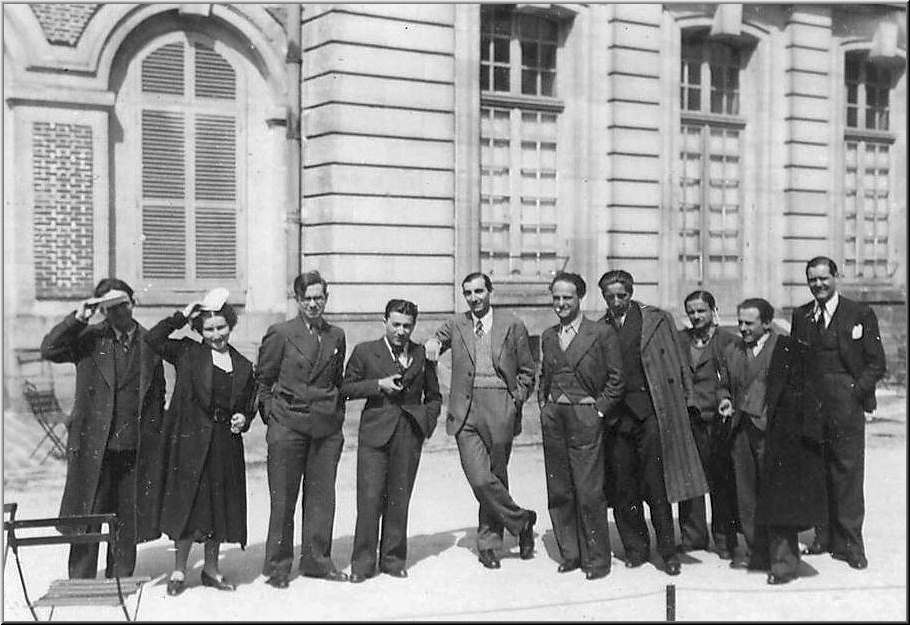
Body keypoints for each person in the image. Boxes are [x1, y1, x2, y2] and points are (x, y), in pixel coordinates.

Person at [40, 278, 166, 579]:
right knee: (89, 512)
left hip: (134, 446)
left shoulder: (150, 344)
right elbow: (49, 349)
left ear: (133, 303)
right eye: (109, 307)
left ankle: (121, 576)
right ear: (102, 311)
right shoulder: (88, 339)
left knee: (127, 513)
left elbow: (158, 395)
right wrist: (79, 316)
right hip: (95, 444)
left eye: (122, 304)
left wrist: (154, 436)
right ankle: (81, 578)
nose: (119, 312)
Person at [597, 269, 707, 576]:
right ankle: (635, 547)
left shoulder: (657, 319)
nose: (616, 301)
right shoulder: (599, 327)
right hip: (618, 419)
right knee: (623, 486)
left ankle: (668, 551)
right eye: (610, 296)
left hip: (651, 412)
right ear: (603, 297)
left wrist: (688, 399)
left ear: (631, 294)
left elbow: (678, 362)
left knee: (656, 484)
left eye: (622, 295)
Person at [424, 272, 537, 570]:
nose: (474, 298)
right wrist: (433, 343)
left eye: (479, 291)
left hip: (501, 405)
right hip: (465, 409)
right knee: (479, 477)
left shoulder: (512, 324)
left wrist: (515, 401)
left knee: (496, 475)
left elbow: (527, 370)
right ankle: (522, 520)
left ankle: (489, 543)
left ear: (490, 291)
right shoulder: (457, 324)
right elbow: (437, 339)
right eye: (468, 293)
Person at [145, 296, 257, 596]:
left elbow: (250, 402)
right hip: (191, 442)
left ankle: (211, 568)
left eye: (221, 327)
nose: (217, 335)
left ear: (230, 325)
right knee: (188, 504)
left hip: (224, 444)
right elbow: (152, 338)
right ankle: (180, 570)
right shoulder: (187, 352)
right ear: (200, 331)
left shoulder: (242, 364)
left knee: (218, 505)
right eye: (209, 329)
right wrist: (182, 315)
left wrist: (243, 418)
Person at [718, 298, 826, 584]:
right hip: (742, 432)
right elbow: (724, 385)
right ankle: (759, 553)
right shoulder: (732, 350)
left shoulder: (786, 349)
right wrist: (725, 400)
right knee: (747, 498)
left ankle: (784, 564)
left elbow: (801, 392)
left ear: (766, 322)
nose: (742, 328)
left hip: (774, 435)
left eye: (749, 323)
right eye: (740, 322)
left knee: (778, 500)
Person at [790, 256, 886, 569]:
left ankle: (852, 545)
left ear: (836, 277)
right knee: (817, 474)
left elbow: (876, 362)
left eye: (823, 278)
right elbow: (796, 363)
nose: (818, 284)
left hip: (846, 409)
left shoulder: (859, 313)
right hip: (812, 410)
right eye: (812, 279)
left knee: (847, 475)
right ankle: (824, 536)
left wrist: (855, 394)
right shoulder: (801, 315)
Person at [256, 271, 349, 588]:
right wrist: (273, 417)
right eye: (307, 298)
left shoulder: (336, 335)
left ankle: (317, 561)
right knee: (283, 500)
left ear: (326, 298)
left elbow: (336, 381)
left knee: (322, 498)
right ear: (297, 300)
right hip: (288, 426)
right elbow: (264, 380)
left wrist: (336, 415)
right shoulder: (280, 333)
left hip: (325, 428)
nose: (313, 304)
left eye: (318, 298)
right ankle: (278, 567)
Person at [343, 299, 442, 583]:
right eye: (396, 324)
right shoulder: (365, 351)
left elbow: (434, 395)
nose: (401, 331)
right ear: (384, 321)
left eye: (407, 326)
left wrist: (426, 421)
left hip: (408, 434)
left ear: (414, 326)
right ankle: (362, 564)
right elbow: (345, 388)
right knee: (370, 499)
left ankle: (393, 560)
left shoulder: (422, 354)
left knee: (400, 498)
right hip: (375, 433)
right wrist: (378, 385)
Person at [538, 272, 623, 580]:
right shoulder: (548, 335)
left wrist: (598, 410)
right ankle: (570, 554)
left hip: (585, 417)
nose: (561, 304)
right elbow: (543, 376)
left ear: (580, 299)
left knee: (588, 490)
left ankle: (597, 560)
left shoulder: (600, 333)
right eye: (556, 297)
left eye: (567, 298)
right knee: (559, 488)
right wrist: (544, 405)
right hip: (554, 417)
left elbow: (616, 380)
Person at [676, 291, 739, 559]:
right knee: (689, 479)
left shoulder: (729, 341)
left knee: (721, 481)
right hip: (688, 420)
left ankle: (725, 541)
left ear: (714, 310)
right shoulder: (680, 340)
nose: (696, 316)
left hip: (718, 421)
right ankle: (693, 537)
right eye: (691, 311)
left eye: (701, 310)